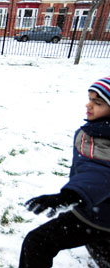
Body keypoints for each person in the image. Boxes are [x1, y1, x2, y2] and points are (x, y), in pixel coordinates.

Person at [19, 77, 110, 268]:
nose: (89, 105)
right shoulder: (94, 130)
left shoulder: (103, 135)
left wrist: (69, 196)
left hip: (97, 216)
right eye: (90, 99)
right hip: (94, 211)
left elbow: (101, 172)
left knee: (37, 243)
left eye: (98, 102)